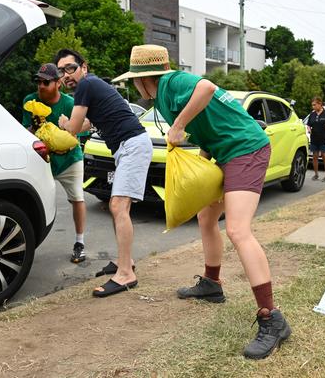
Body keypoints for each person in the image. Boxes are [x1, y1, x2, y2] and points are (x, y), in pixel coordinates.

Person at [113, 44, 291, 360]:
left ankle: (271, 318)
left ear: (144, 78)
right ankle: (212, 283)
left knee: (238, 230)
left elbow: (207, 88)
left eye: (134, 81)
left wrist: (178, 126)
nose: (134, 87)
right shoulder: (164, 98)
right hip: (225, 153)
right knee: (206, 219)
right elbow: (208, 125)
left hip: (247, 149)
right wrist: (203, 164)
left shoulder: (172, 82)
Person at [53, 48, 152, 298]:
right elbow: (87, 124)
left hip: (132, 145)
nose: (66, 75)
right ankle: (123, 262)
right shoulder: (92, 87)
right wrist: (72, 124)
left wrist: (64, 123)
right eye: (61, 72)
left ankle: (127, 274)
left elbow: (74, 128)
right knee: (115, 206)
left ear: (83, 67)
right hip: (126, 147)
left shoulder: (86, 85)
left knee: (119, 206)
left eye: (70, 68)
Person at [22, 63, 88, 264]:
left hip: (69, 158)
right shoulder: (30, 101)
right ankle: (26, 245)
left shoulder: (70, 103)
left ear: (58, 83)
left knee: (77, 198)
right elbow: (26, 134)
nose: (40, 86)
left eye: (46, 82)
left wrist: (68, 127)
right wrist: (33, 128)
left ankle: (80, 242)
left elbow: (81, 130)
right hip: (43, 159)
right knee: (32, 200)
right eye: (38, 81)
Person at [306, 96, 325, 182]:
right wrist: (309, 129)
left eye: (314, 105)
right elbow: (308, 124)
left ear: (320, 104)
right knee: (315, 156)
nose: (313, 107)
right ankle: (316, 174)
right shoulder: (312, 114)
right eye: (312, 105)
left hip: (324, 138)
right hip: (314, 138)